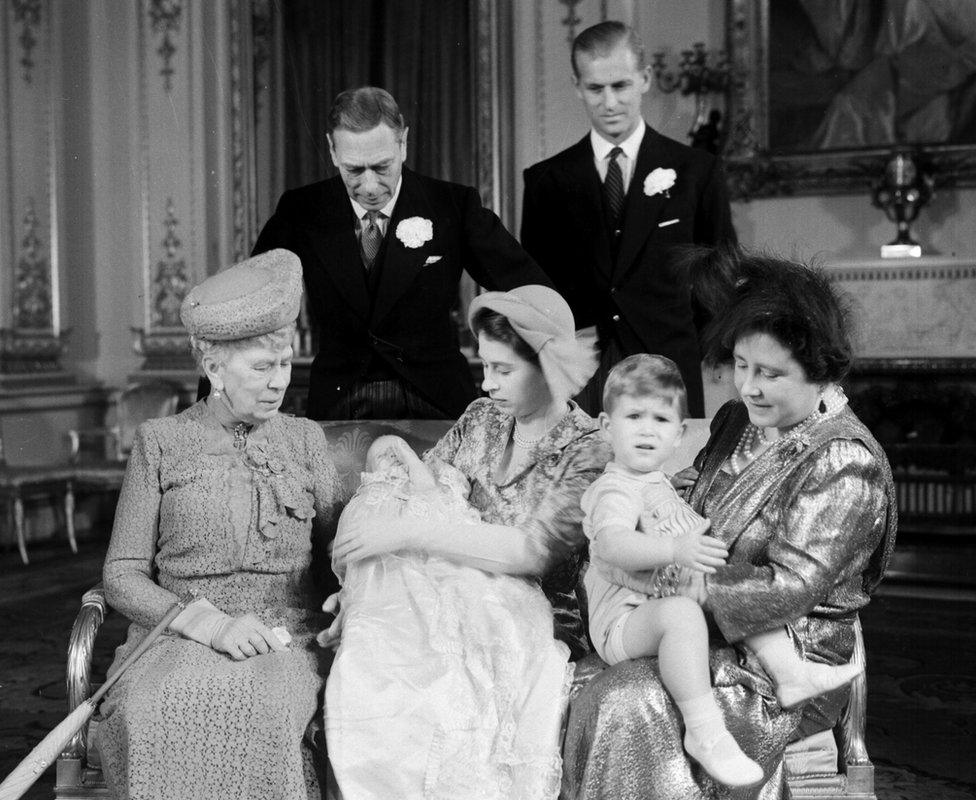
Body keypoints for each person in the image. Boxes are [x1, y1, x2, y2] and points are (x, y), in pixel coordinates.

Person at [561, 249, 897, 799]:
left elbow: (791, 588)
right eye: (742, 367)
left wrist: (683, 578)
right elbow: (687, 492)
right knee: (595, 677)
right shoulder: (737, 420)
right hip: (695, 622)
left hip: (790, 656)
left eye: (770, 374)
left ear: (819, 371)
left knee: (626, 698)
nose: (749, 387)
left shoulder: (843, 461)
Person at [95, 250, 342, 800]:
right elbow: (121, 575)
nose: (279, 383)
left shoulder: (304, 441)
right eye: (261, 368)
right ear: (213, 369)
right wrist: (204, 623)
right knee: (157, 709)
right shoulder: (160, 443)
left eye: (285, 365)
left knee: (266, 710)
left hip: (282, 635)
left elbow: (338, 559)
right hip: (175, 632)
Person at [582, 353, 865, 788]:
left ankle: (790, 673)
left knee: (732, 585)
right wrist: (676, 547)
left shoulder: (657, 483)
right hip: (622, 621)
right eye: (633, 416)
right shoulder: (615, 489)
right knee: (686, 613)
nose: (645, 429)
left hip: (655, 601)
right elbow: (610, 543)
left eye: (659, 419)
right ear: (606, 426)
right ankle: (705, 731)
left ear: (679, 435)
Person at [326, 283, 611, 665]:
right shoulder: (483, 415)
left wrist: (408, 533)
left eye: (504, 369)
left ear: (549, 368)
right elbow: (422, 496)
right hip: (447, 596)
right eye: (486, 365)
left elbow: (530, 552)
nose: (488, 382)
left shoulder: (589, 448)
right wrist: (364, 591)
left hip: (536, 625)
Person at [251, 86, 550, 420]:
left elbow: (531, 292)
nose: (369, 186)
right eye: (353, 170)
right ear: (332, 151)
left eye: (382, 167)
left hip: (439, 403)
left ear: (403, 143)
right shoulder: (300, 210)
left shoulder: (453, 204)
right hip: (339, 404)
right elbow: (248, 305)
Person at [324, 434, 572, 799]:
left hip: (461, 566)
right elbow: (351, 555)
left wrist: (418, 478)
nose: (391, 462)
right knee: (377, 660)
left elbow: (454, 515)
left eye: (398, 454)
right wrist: (352, 594)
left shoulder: (439, 488)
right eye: (381, 458)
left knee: (493, 625)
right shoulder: (369, 499)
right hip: (395, 585)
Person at [520, 20, 737, 418]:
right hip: (580, 376)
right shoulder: (546, 182)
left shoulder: (696, 172)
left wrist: (692, 350)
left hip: (669, 368)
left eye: (620, 86)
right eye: (595, 89)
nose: (609, 102)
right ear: (576, 86)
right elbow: (537, 291)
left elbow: (719, 280)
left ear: (645, 79)